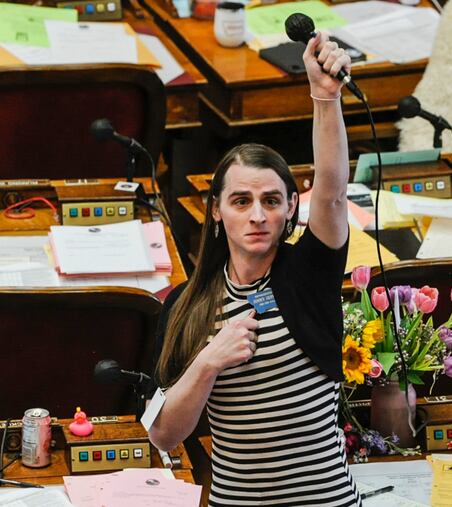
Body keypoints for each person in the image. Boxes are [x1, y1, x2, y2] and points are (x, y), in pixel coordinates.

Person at [149, 32, 361, 506]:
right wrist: (209, 361)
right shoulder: (186, 306)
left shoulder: (308, 273)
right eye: (241, 201)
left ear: (291, 209)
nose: (258, 215)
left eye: (271, 201)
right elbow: (164, 435)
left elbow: (331, 191)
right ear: (217, 211)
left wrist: (325, 97)